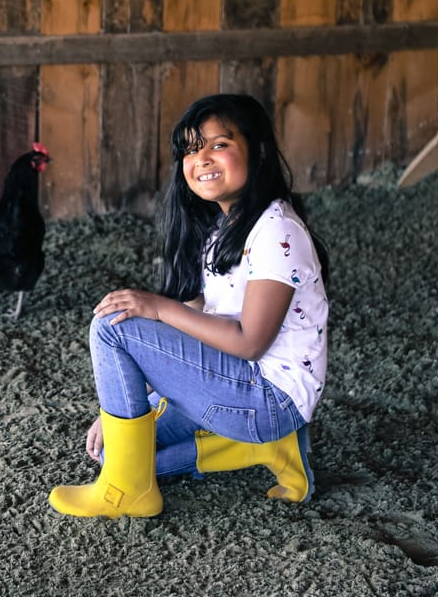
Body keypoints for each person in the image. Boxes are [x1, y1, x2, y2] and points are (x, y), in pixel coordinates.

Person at [48, 93, 329, 518]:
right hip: (242, 388)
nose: (201, 159)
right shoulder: (224, 227)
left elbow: (250, 342)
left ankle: (127, 490)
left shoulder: (278, 232)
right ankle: (264, 448)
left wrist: (158, 308)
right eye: (190, 150)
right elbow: (194, 328)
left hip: (267, 398)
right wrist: (121, 403)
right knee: (118, 453)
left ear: (259, 151)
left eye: (218, 144)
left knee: (113, 324)